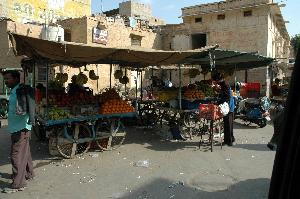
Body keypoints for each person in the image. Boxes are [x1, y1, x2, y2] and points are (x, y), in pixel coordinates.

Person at [1, 70, 35, 193]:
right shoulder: (15, 90)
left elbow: (25, 107)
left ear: (15, 79)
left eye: (7, 79)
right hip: (18, 127)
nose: (5, 82)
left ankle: (19, 183)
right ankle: (29, 173)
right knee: (25, 152)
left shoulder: (20, 90)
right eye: (4, 80)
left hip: (21, 128)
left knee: (16, 155)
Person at [212, 72, 235, 146]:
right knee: (229, 124)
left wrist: (218, 102)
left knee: (228, 124)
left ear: (218, 80)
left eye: (216, 81)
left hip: (228, 107)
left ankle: (228, 141)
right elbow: (224, 94)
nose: (216, 83)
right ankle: (231, 139)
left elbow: (226, 97)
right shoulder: (224, 84)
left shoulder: (225, 85)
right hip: (229, 106)